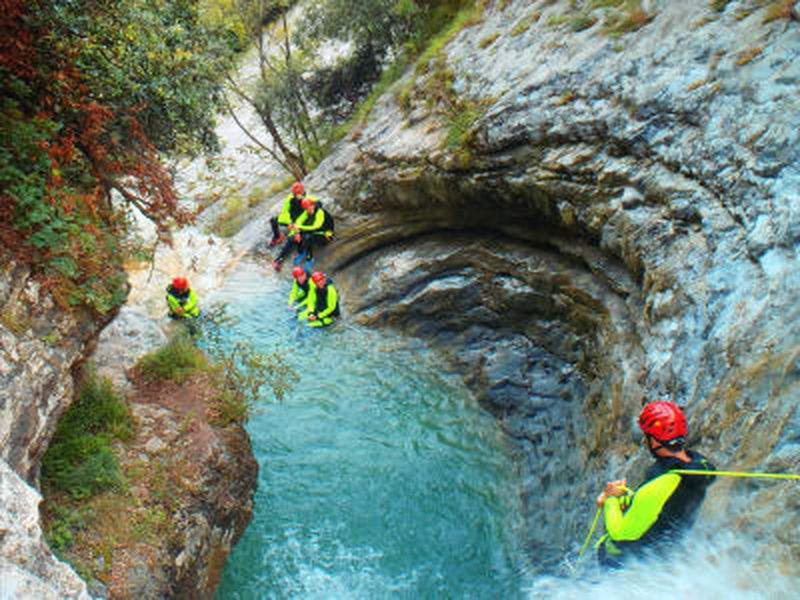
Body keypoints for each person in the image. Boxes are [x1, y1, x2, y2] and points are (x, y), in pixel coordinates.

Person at [595, 401, 715, 567]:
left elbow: (620, 533)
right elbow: (656, 508)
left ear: (655, 440)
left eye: (646, 436)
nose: (644, 441)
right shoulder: (694, 469)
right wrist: (624, 496)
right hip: (659, 560)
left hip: (625, 568)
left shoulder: (666, 480)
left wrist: (610, 500)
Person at [272, 197, 333, 272]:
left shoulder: (320, 212)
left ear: (313, 205)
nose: (307, 210)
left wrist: (299, 227)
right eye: (306, 208)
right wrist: (296, 232)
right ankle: (279, 259)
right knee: (292, 238)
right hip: (313, 232)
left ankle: (308, 257)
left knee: (308, 237)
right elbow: (298, 222)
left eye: (308, 207)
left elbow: (316, 226)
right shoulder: (306, 212)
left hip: (325, 234)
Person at [268, 181, 313, 248]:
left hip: (300, 220)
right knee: (273, 220)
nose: (296, 195)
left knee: (296, 238)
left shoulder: (308, 199)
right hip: (291, 218)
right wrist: (289, 223)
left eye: (298, 193)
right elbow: (285, 211)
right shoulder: (290, 198)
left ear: (303, 192)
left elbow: (309, 211)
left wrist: (296, 225)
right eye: (295, 194)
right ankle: (278, 236)